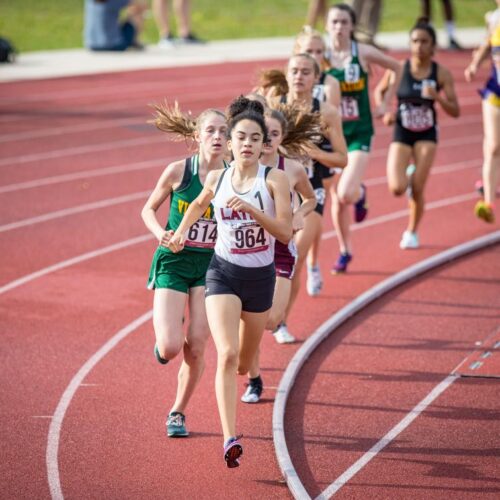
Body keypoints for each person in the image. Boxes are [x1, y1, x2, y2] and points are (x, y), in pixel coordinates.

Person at [168, 96, 293, 468]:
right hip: (222, 273)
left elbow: (285, 232)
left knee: (241, 362)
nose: (248, 144)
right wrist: (181, 233)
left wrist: (255, 211)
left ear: (263, 144)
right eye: (241, 137)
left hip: (260, 278)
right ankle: (229, 439)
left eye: (256, 138)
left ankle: (247, 377)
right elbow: (195, 204)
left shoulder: (275, 180)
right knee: (225, 354)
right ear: (232, 141)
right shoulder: (217, 176)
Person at [141, 102, 230, 438]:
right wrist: (159, 233)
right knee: (170, 347)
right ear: (197, 136)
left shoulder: (234, 176)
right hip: (175, 261)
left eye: (223, 132)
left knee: (197, 343)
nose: (218, 137)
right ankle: (166, 339)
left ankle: (177, 411)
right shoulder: (179, 171)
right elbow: (148, 209)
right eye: (211, 131)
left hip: (211, 266)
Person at [241, 106, 318, 403]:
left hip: (282, 250)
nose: (270, 140)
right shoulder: (243, 166)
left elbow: (311, 198)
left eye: (275, 134)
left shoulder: (292, 169)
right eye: (265, 134)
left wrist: (299, 213)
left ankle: (254, 358)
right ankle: (255, 380)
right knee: (250, 319)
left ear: (282, 136)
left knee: (271, 319)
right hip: (249, 251)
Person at [325, 3, 401, 273]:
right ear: (327, 25)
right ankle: (345, 251)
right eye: (334, 22)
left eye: (344, 22)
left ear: (351, 26)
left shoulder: (363, 52)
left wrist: (386, 103)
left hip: (359, 133)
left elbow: (397, 67)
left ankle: (361, 192)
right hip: (332, 134)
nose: (339, 27)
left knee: (345, 193)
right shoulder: (321, 56)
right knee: (336, 198)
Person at [377, 18, 460, 248]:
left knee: (418, 190)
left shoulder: (441, 73)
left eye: (424, 42)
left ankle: (412, 232)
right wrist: (386, 111)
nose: (419, 46)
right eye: (415, 41)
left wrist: (438, 97)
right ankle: (410, 173)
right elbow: (380, 91)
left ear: (433, 46)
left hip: (426, 134)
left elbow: (455, 111)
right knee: (396, 187)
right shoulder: (399, 68)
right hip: (402, 130)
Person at [293, 26, 342, 296]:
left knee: (314, 217)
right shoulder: (289, 80)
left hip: (319, 156)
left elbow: (330, 123)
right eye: (308, 51)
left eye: (319, 51)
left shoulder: (330, 83)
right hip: (290, 166)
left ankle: (312, 263)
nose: (314, 55)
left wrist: (313, 149)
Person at [465, 1, 500, 224]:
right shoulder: (494, 19)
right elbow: (488, 42)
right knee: (494, 146)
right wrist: (474, 65)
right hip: (495, 91)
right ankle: (488, 203)